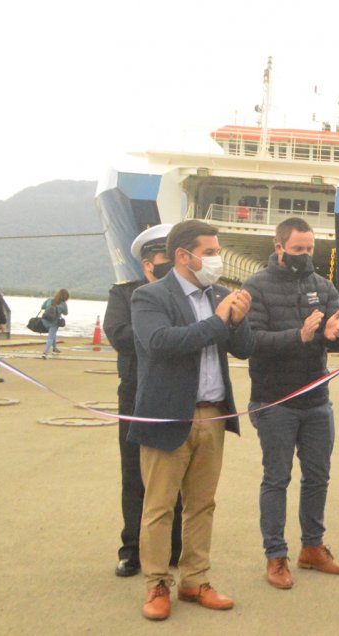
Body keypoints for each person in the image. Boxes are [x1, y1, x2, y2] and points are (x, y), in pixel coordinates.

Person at [128, 219, 254, 621]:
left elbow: (244, 349)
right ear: (184, 256)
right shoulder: (150, 296)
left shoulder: (219, 294)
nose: (217, 259)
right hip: (167, 417)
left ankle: (195, 579)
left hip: (213, 415)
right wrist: (218, 322)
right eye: (211, 252)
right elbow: (161, 343)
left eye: (217, 251)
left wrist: (239, 318)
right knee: (160, 507)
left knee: (202, 505)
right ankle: (157, 584)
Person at [243, 217, 339, 590]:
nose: (305, 256)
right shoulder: (256, 286)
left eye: (310, 250)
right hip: (274, 401)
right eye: (297, 250)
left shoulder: (323, 286)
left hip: (317, 399)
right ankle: (276, 556)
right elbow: (252, 342)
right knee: (277, 479)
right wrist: (300, 336)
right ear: (279, 248)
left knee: (318, 477)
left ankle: (313, 547)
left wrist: (336, 335)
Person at [105, 225, 182, 578]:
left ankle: (172, 547)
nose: (170, 266)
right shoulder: (123, 295)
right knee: (134, 474)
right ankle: (132, 548)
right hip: (135, 394)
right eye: (164, 260)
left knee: (175, 474)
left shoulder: (184, 295)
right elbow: (119, 335)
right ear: (148, 264)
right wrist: (157, 331)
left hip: (174, 392)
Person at [40, 288, 69, 359]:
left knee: (53, 334)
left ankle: (55, 348)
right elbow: (66, 313)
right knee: (50, 337)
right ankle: (45, 353)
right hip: (54, 323)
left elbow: (42, 307)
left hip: (44, 321)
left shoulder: (49, 300)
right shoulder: (63, 304)